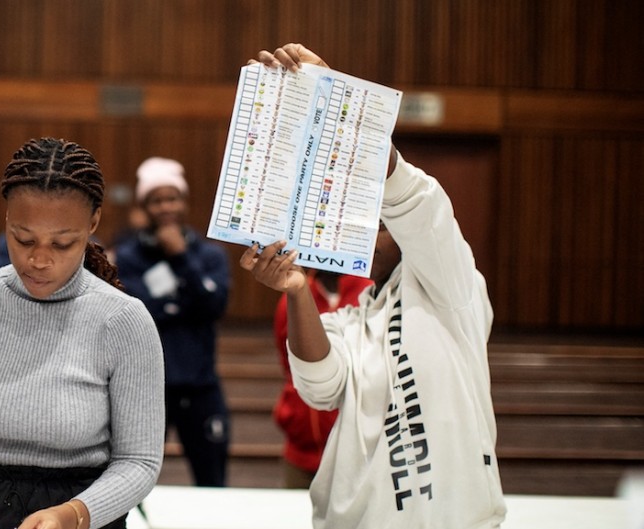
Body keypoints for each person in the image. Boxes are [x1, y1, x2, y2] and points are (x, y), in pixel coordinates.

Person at [240, 44, 506, 529]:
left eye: (380, 224)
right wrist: (296, 290)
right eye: (359, 221)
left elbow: (416, 203)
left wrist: (333, 99)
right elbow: (320, 387)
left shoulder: (452, 288)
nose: (365, 232)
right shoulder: (351, 317)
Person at [0, 137, 165, 529]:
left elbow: (138, 462)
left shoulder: (123, 320)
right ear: (6, 219)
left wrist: (73, 515)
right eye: (23, 239)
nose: (39, 260)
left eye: (62, 243)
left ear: (92, 225)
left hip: (80, 512)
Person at [113, 157, 232, 487]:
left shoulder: (209, 256)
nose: (166, 206)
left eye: (172, 197)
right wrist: (184, 302)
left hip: (202, 387)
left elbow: (214, 305)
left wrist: (181, 259)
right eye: (156, 200)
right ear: (144, 206)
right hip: (150, 390)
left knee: (213, 483)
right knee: (134, 484)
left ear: (184, 202)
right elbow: (136, 312)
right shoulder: (127, 257)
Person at [272, 272, 372, 489]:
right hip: (301, 450)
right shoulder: (293, 294)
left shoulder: (371, 295)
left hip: (360, 454)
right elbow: (289, 366)